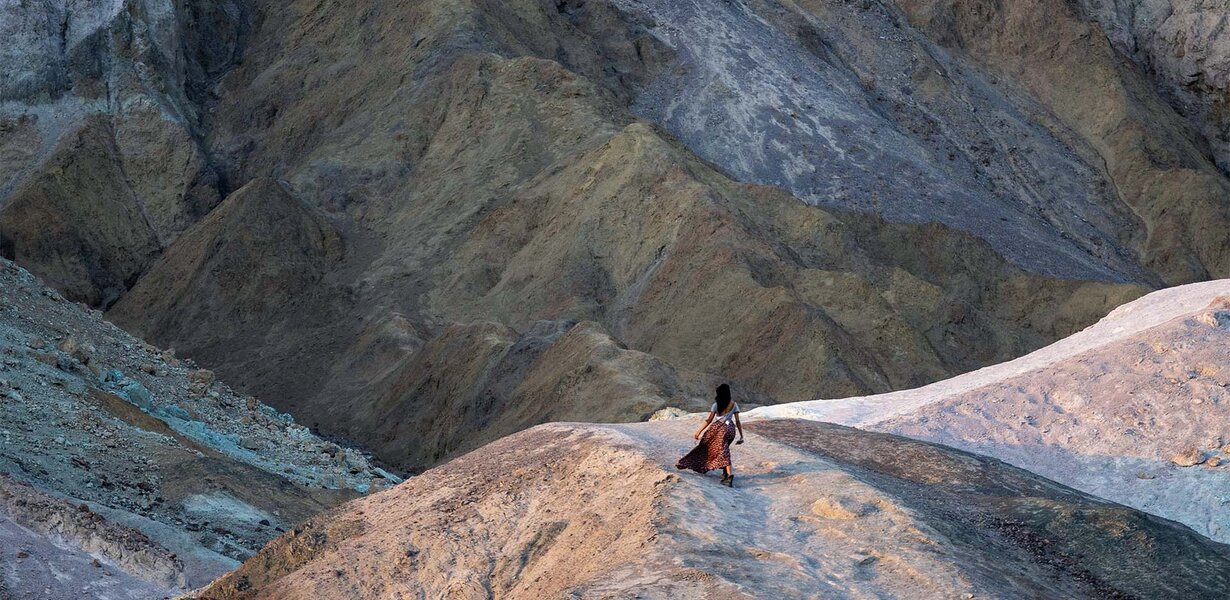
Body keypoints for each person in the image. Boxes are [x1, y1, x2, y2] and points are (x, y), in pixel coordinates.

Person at [676, 383, 744, 487]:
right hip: (730, 429)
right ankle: (725, 473)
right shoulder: (734, 404)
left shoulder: (716, 405)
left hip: (718, 429)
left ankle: (729, 475)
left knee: (710, 448)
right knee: (723, 449)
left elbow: (709, 420)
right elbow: (738, 421)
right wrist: (741, 436)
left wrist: (699, 431)